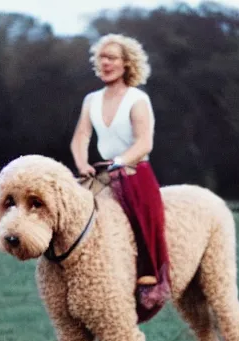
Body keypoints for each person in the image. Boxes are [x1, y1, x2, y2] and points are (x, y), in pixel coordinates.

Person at [70, 33, 170, 323]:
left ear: (126, 64)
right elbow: (81, 136)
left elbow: (144, 142)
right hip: (102, 175)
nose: (106, 63)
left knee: (143, 224)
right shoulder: (91, 100)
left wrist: (120, 161)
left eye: (112, 57)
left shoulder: (138, 99)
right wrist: (82, 164)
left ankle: (147, 283)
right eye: (102, 57)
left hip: (135, 174)